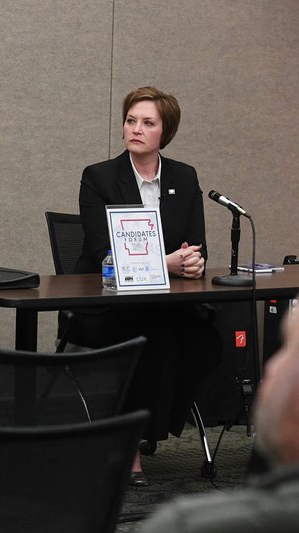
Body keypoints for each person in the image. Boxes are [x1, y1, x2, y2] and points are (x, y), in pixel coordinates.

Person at [67, 87, 221, 485]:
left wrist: (193, 261)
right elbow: (107, 254)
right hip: (108, 303)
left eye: (147, 123)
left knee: (205, 340)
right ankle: (129, 444)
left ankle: (155, 425)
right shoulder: (98, 177)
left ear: (164, 132)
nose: (136, 129)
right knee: (145, 337)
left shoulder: (184, 177)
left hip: (165, 302)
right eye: (131, 120)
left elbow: (194, 243)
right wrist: (167, 263)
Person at [141, 308, 299, 532]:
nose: (271, 367)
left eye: (286, 351)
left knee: (202, 342)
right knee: (157, 342)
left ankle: (160, 423)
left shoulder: (183, 525)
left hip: (172, 307)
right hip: (118, 309)